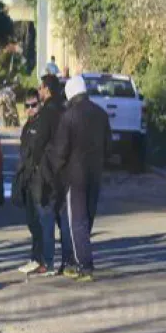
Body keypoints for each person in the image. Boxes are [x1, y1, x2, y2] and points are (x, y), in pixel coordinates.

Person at [49, 75, 111, 282]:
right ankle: (82, 258)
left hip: (74, 177)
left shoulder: (68, 117)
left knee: (77, 220)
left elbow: (61, 151)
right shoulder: (101, 115)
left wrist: (54, 172)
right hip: (95, 174)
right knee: (88, 218)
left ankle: (84, 265)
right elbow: (108, 146)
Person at [15, 75, 65, 275]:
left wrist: (38, 167)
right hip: (30, 176)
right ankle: (37, 258)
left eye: (33, 105)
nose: (30, 110)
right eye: (27, 106)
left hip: (43, 175)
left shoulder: (47, 116)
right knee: (33, 221)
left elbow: (39, 148)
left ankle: (47, 260)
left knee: (45, 219)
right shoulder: (29, 126)